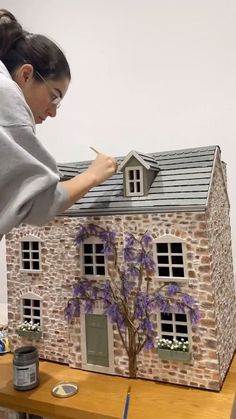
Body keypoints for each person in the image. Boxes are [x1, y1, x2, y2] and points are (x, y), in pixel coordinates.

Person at [0, 9, 117, 239]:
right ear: (26, 75)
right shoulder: (6, 96)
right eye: (54, 96)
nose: (53, 112)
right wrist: (93, 174)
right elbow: (41, 204)